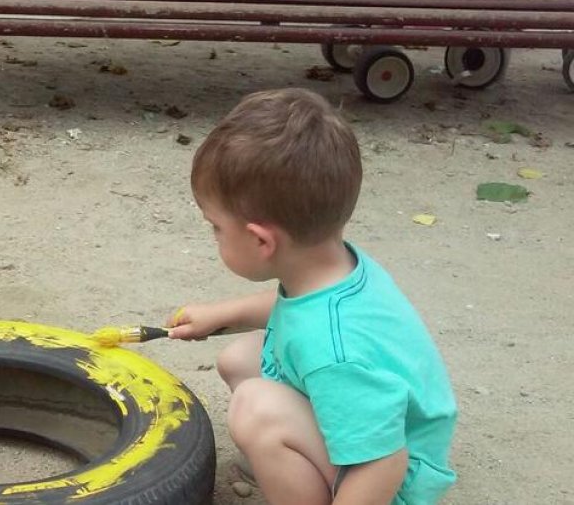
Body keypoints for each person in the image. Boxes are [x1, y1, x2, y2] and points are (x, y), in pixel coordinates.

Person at [166, 88, 457, 504]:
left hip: (393, 475)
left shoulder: (332, 349)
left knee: (255, 408)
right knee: (239, 359)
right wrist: (221, 313)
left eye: (216, 227)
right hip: (384, 415)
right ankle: (292, 460)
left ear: (262, 241)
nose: (213, 235)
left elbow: (384, 462)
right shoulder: (330, 267)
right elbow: (294, 311)